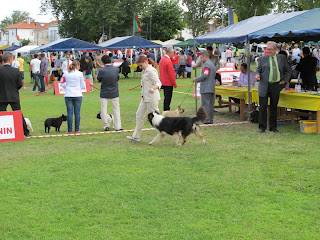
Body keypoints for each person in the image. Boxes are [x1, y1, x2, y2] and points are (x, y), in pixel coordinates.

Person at [256, 41, 291, 133]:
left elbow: (288, 71)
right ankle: (262, 127)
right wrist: (257, 75)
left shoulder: (282, 58)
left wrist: (285, 80)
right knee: (263, 107)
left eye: (270, 49)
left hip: (276, 85)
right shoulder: (262, 59)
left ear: (276, 49)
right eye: (267, 49)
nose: (268, 51)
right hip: (264, 85)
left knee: (273, 107)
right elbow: (258, 70)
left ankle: (273, 127)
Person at [127, 56, 161, 142]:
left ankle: (173, 131)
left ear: (146, 62)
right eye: (139, 65)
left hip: (152, 98)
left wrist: (153, 88)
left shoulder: (151, 71)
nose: (140, 67)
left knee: (156, 119)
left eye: (141, 65)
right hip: (145, 98)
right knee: (139, 115)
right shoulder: (144, 71)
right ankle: (136, 136)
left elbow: (158, 82)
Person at [0, 53, 30, 137]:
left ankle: (3, 131)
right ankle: (26, 132)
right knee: (18, 114)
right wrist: (14, 89)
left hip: (2, 96)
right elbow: (20, 84)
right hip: (14, 96)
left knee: (1, 114)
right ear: (10, 60)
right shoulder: (16, 71)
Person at [97, 55, 123, 131]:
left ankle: (106, 125)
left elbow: (99, 79)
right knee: (116, 109)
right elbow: (117, 78)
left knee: (103, 109)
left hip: (104, 91)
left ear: (103, 62)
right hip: (114, 91)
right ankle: (118, 126)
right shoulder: (116, 69)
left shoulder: (101, 70)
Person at [60, 60, 85, 133]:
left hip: (68, 94)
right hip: (77, 94)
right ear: (77, 66)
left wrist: (67, 86)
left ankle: (69, 129)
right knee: (77, 113)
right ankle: (77, 129)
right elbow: (82, 85)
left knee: (69, 113)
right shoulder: (80, 74)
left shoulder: (66, 74)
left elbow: (62, 83)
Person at [192, 51, 216, 124]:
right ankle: (210, 119)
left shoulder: (206, 65)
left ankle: (207, 120)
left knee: (205, 105)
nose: (201, 60)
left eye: (201, 58)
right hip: (211, 87)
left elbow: (205, 75)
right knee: (211, 105)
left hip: (206, 88)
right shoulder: (212, 64)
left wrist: (196, 79)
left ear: (205, 57)